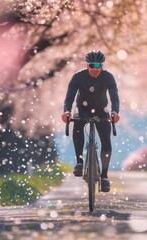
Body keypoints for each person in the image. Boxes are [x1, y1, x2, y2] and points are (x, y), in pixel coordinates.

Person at [61, 50, 120, 192]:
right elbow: (69, 97)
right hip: (83, 109)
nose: (95, 68)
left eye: (98, 65)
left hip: (101, 110)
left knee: (106, 140)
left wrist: (115, 112)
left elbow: (114, 97)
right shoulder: (78, 77)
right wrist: (67, 111)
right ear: (87, 65)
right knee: (77, 124)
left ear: (102, 66)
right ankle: (80, 162)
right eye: (92, 65)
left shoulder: (108, 77)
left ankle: (104, 176)